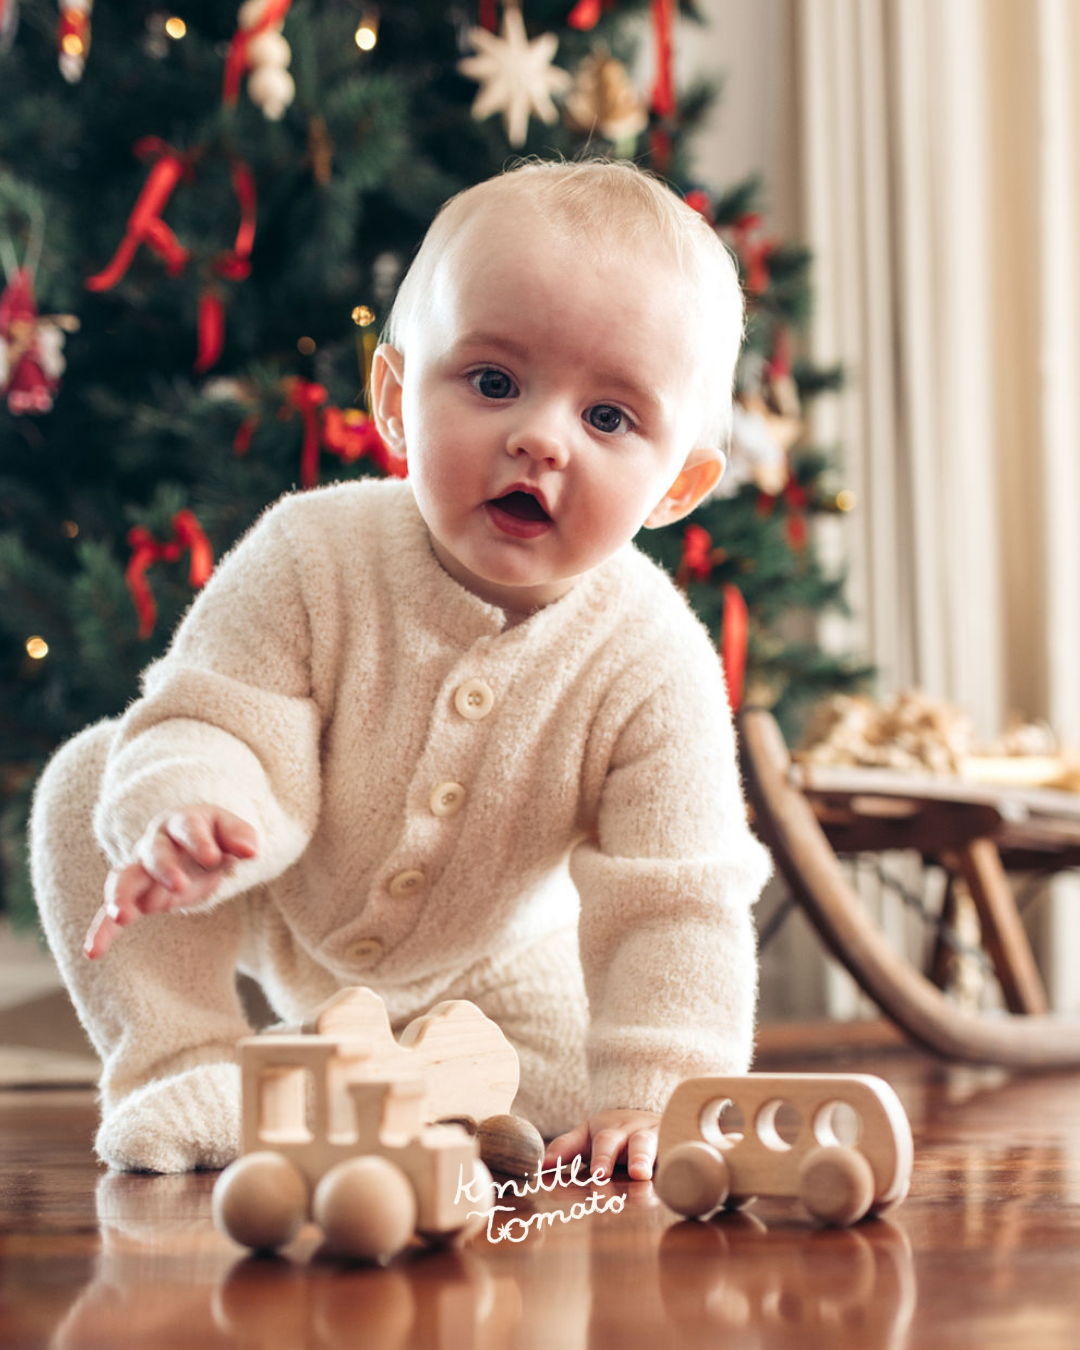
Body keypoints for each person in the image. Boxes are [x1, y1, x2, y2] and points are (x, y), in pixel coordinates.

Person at [30, 158, 771, 1180]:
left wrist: (655, 1099)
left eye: (609, 419)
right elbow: (224, 714)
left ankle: (348, 1092)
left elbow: (674, 904)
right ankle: (184, 1065)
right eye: (494, 382)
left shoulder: (654, 660)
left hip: (500, 981)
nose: (538, 439)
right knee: (91, 782)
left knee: (550, 1097)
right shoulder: (309, 551)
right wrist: (195, 808)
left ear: (679, 485)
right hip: (280, 892)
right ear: (393, 395)